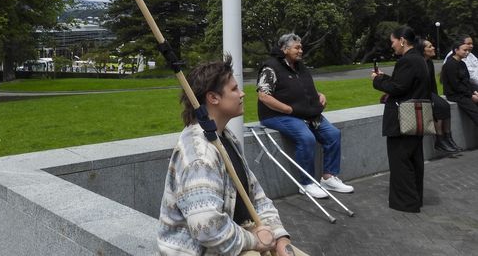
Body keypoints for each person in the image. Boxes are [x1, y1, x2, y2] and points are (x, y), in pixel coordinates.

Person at [157, 58, 309, 256]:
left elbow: (256, 196)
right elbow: (208, 228)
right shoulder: (199, 156)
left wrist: (280, 238)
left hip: (239, 235)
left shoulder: (225, 137)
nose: (242, 93)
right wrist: (256, 241)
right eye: (235, 89)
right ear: (213, 98)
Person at [256, 34, 353, 199]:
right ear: (284, 49)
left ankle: (328, 178)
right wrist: (287, 109)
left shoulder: (300, 66)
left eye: (301, 47)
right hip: (277, 115)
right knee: (306, 138)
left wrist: (319, 95)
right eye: (297, 48)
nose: (301, 51)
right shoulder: (270, 67)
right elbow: (264, 96)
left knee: (333, 134)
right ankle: (306, 183)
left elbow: (303, 88)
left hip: (305, 113)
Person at [372, 26, 430, 213]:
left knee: (400, 161)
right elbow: (404, 83)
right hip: (416, 116)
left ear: (402, 40)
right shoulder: (419, 59)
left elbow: (398, 88)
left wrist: (377, 80)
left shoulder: (408, 60)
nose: (392, 45)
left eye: (393, 41)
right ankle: (414, 198)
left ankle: (406, 202)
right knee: (413, 159)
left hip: (402, 119)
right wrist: (384, 78)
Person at [415, 38, 462, 153]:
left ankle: (448, 138)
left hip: (429, 92)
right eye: (430, 46)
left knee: (445, 105)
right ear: (423, 50)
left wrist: (435, 97)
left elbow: (432, 83)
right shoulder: (418, 63)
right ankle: (439, 140)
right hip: (420, 94)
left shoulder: (429, 62)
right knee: (439, 107)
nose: (433, 48)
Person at [440, 39, 478, 127]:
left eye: (468, 50)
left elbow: (467, 82)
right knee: (475, 112)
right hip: (455, 95)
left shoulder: (462, 64)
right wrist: (471, 95)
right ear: (456, 50)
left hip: (465, 93)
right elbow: (456, 85)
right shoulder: (450, 65)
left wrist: (474, 92)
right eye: (464, 50)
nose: (467, 52)